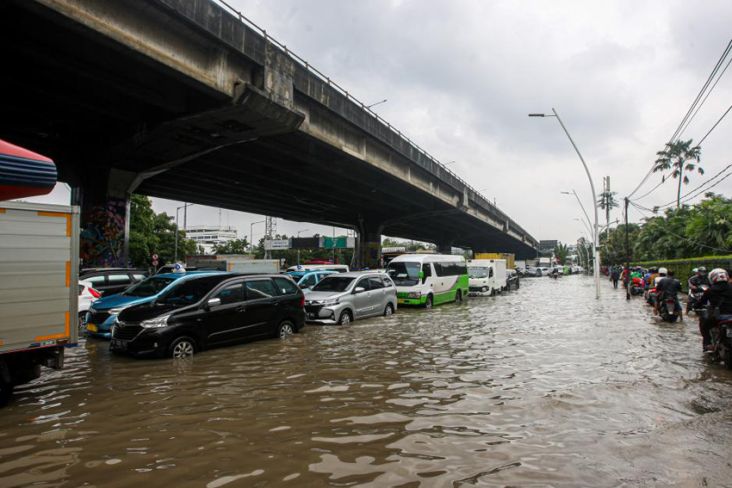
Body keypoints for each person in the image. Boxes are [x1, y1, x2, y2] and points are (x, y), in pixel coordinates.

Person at [698, 268, 732, 352]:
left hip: (719, 317)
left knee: (704, 326)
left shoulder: (710, 290)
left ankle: (708, 344)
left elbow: (700, 303)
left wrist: (695, 307)